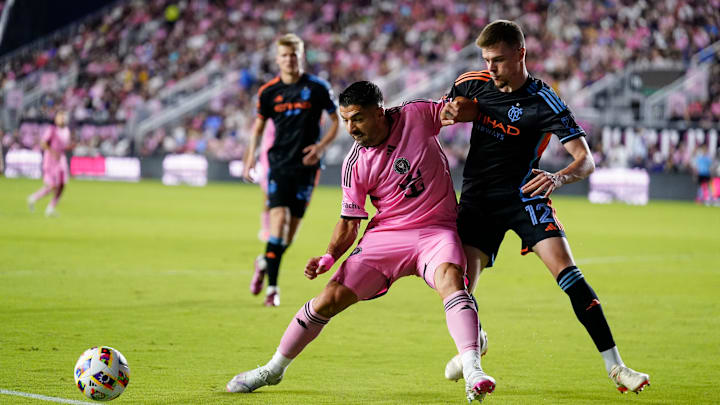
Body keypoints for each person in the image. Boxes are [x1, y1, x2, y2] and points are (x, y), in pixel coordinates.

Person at [227, 81, 496, 402]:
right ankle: (272, 370)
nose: (351, 128)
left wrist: (461, 108)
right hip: (387, 237)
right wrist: (329, 257)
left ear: (379, 112)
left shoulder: (416, 116)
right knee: (329, 299)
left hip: (434, 231)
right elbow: (350, 221)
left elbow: (463, 111)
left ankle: (473, 370)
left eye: (357, 118)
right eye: (345, 120)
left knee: (452, 280)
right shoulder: (355, 163)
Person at [440, 20, 650, 394]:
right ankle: (475, 352)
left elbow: (586, 161)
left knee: (569, 274)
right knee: (459, 287)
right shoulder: (472, 82)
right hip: (477, 199)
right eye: (487, 59)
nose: (491, 68)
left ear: (521, 54)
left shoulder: (544, 100)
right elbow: (443, 114)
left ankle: (616, 367)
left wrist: (558, 178)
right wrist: (450, 114)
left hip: (525, 195)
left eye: (499, 61)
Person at [243, 33, 340, 307]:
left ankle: (264, 261)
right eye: (285, 55)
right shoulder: (269, 92)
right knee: (278, 222)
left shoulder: (318, 88)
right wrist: (250, 158)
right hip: (278, 167)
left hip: (308, 168)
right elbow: (258, 128)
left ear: (302, 55)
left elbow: (335, 122)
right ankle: (272, 290)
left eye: (294, 54)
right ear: (277, 59)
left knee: (288, 236)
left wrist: (320, 148)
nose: (290, 59)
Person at [27, 111, 72, 217]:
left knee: (62, 185)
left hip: (61, 160)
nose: (62, 119)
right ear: (56, 119)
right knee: (53, 185)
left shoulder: (66, 131)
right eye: (60, 117)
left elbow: (63, 146)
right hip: (51, 160)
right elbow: (43, 143)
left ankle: (50, 208)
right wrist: (53, 152)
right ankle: (33, 198)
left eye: (63, 117)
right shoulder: (52, 130)